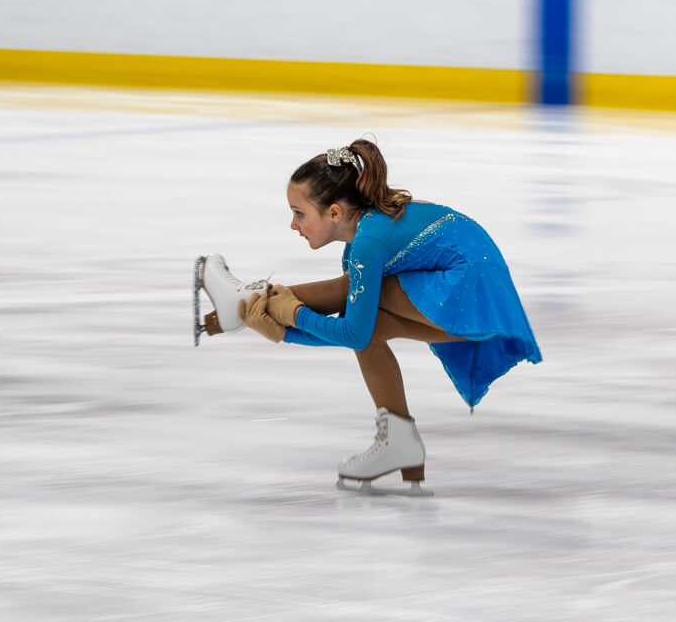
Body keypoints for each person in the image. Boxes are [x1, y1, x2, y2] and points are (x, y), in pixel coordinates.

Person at [196, 139, 541, 493]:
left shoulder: (369, 241)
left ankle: (243, 301)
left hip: (470, 290)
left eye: (300, 213)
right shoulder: (364, 237)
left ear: (333, 212)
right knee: (366, 314)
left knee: (355, 299)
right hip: (476, 302)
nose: (293, 225)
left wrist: (294, 316)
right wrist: (284, 331)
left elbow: (353, 333)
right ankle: (400, 442)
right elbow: (360, 331)